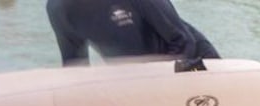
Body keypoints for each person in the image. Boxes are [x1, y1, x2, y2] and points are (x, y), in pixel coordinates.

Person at [46, 0, 220, 66]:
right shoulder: (58, 8)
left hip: (194, 58)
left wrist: (151, 77)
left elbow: (183, 42)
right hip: (132, 78)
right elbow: (75, 64)